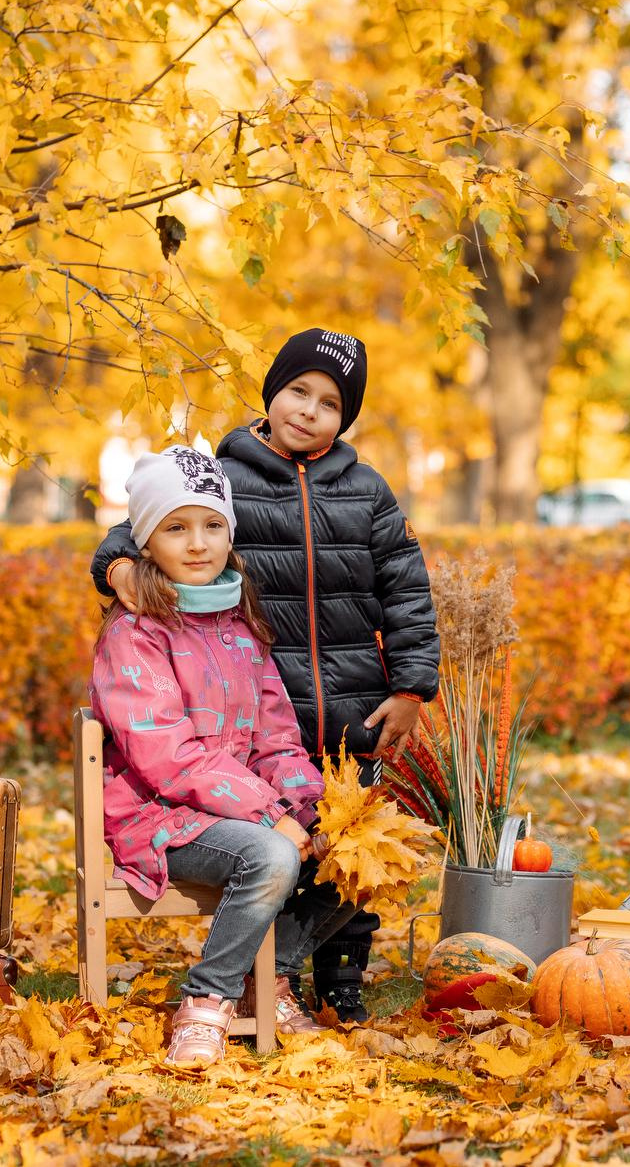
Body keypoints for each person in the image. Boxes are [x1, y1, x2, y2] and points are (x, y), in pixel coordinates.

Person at [93, 329, 439, 1021]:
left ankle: (332, 978)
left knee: (357, 845)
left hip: (348, 705)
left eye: (330, 403)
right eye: (298, 391)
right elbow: (149, 525)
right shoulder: (224, 474)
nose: (309, 410)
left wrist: (410, 687)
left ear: (345, 418)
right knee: (284, 845)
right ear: (272, 391)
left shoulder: (367, 489)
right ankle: (258, 982)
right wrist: (117, 565)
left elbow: (406, 588)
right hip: (254, 707)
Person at [91, 445, 330, 1062]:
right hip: (157, 816)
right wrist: (269, 816)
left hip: (235, 808)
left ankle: (267, 977)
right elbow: (168, 756)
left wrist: (308, 807)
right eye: (176, 528)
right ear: (145, 543)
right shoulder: (135, 634)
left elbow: (275, 738)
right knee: (273, 854)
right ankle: (206, 1001)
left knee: (349, 848)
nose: (198, 544)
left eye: (212, 525)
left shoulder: (240, 625)